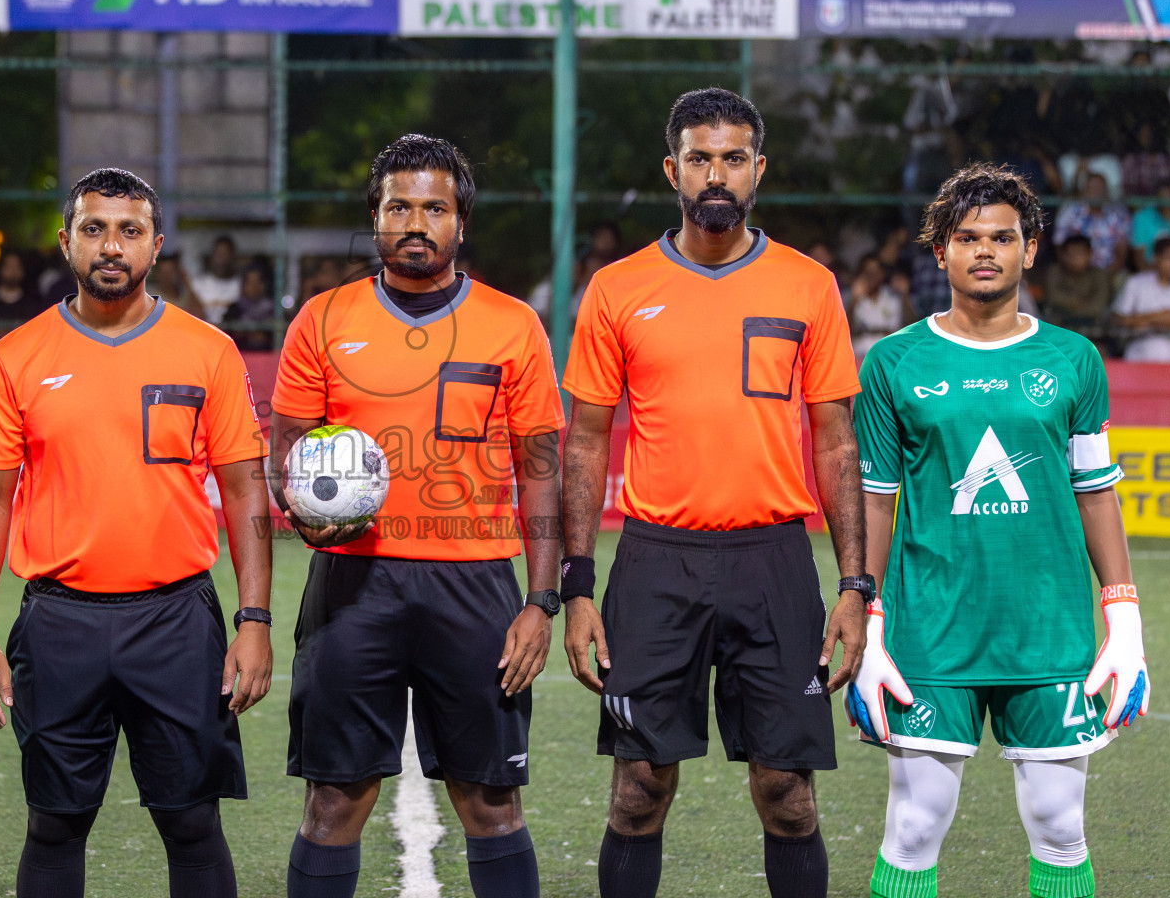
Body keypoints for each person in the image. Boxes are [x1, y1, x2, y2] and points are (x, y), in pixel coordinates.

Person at [561, 88, 867, 898]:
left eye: (734, 158)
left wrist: (854, 587)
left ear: (759, 169)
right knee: (638, 793)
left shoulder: (809, 286)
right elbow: (586, 442)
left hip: (775, 560)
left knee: (789, 798)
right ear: (674, 170)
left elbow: (837, 441)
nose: (717, 174)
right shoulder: (617, 288)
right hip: (657, 562)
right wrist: (579, 587)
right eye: (700, 158)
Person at [0, 168, 272, 898]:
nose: (111, 245)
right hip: (58, 620)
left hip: (176, 620)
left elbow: (245, 492)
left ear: (155, 246)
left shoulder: (209, 351)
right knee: (55, 824)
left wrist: (252, 620)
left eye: (129, 231)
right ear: (66, 242)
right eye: (94, 229)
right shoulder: (17, 356)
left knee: (193, 822)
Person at [270, 134, 564, 898]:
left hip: (475, 586)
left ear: (460, 223)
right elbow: (287, 454)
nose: (416, 220)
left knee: (491, 801)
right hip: (351, 582)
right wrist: (303, 515)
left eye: (434, 207)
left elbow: (541, 473)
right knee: (334, 799)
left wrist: (540, 601)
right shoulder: (322, 319)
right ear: (375, 215)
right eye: (399, 205)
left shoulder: (513, 325)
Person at [849, 163, 1149, 898]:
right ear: (941, 253)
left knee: (1058, 823)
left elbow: (1096, 493)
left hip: (1046, 628)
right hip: (929, 629)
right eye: (967, 238)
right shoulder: (892, 362)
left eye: (1003, 237)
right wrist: (869, 618)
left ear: (1030, 249)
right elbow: (877, 501)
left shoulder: (1073, 360)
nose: (985, 250)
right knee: (914, 826)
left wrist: (1123, 610)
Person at [1111, 236, 1170, 362]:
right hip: (1139, 351)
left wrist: (1141, 320)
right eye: (1169, 258)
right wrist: (1158, 318)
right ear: (1156, 257)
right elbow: (1116, 318)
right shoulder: (1136, 282)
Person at [1053, 171, 1130, 272]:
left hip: (1110, 272)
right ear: (1084, 190)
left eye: (1100, 187)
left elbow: (1122, 252)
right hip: (1073, 270)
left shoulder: (1119, 214)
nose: (1096, 191)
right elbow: (1059, 246)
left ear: (1106, 190)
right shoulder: (1070, 212)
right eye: (1092, 187)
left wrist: (1105, 275)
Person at [1042, 235, 1113, 340]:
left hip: (1094, 330)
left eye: (1080, 254)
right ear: (1063, 255)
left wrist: (1070, 306)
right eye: (1071, 254)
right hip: (1060, 328)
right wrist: (1076, 302)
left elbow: (1098, 307)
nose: (1075, 258)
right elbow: (1052, 297)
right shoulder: (1054, 272)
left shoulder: (1100, 275)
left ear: (1090, 254)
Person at [847, 254, 909, 358]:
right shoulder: (852, 296)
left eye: (876, 271)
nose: (872, 276)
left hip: (889, 352)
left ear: (882, 274)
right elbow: (847, 331)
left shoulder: (893, 296)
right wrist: (854, 301)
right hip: (860, 354)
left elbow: (911, 322)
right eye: (867, 271)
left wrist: (905, 296)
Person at [221, 262, 275, 351]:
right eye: (249, 282)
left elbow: (274, 336)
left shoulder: (273, 309)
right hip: (240, 354)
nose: (253, 286)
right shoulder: (234, 309)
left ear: (264, 285)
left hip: (266, 355)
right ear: (243, 285)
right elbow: (228, 334)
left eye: (258, 281)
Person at [191, 235, 241, 323]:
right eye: (219, 253)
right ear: (212, 255)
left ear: (232, 256)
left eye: (225, 254)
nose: (221, 258)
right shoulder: (199, 283)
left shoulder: (240, 284)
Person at [1129, 182, 1170, 271]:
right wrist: (1152, 281)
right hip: (1153, 272)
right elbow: (1139, 258)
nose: (1169, 199)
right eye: (1164, 196)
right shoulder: (1144, 217)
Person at [151, 252, 208, 320]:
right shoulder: (152, 296)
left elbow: (200, 316)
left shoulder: (185, 295)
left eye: (170, 272)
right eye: (164, 272)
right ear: (157, 274)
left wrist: (187, 283)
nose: (167, 277)